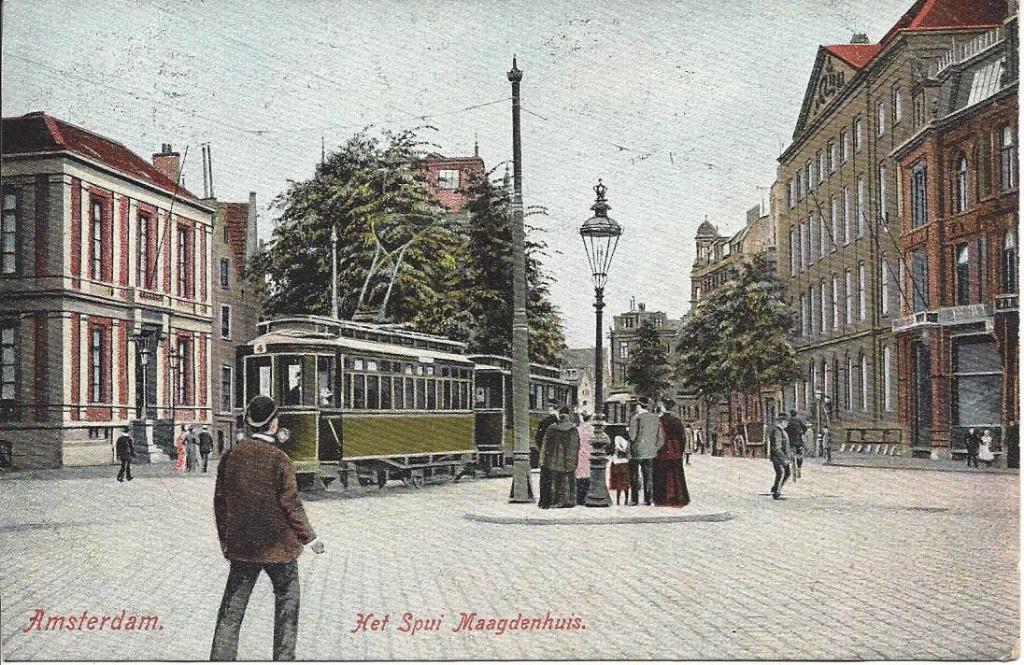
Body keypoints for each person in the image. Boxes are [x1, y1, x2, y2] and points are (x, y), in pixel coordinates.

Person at [211, 395, 325, 661]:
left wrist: (227, 543)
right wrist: (310, 539)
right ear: (273, 424)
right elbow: (291, 505)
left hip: (242, 549)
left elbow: (220, 505)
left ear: (250, 424)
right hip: (279, 549)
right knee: (287, 601)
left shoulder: (231, 456)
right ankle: (284, 658)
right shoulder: (280, 459)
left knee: (231, 611)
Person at [537, 406, 580, 509]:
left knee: (555, 480)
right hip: (569, 459)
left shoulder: (552, 428)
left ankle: (556, 501)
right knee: (569, 479)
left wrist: (543, 459)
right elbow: (577, 445)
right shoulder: (573, 429)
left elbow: (545, 444)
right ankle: (569, 501)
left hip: (554, 459)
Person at [653, 398, 690, 507]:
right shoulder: (677, 421)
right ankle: (679, 497)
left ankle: (661, 498)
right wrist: (681, 450)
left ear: (663, 407)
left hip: (663, 449)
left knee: (661, 473)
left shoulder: (659, 421)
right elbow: (682, 438)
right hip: (675, 449)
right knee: (676, 473)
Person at [627, 397, 663, 506]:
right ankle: (648, 499)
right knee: (648, 475)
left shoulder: (635, 418)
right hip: (650, 452)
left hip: (636, 452)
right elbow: (660, 438)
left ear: (639, 405)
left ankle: (634, 499)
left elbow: (632, 437)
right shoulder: (656, 419)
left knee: (634, 476)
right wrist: (654, 448)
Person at [769, 412, 791, 500]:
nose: (787, 424)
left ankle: (775, 488)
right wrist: (784, 459)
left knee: (785, 472)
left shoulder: (782, 431)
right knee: (781, 473)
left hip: (781, 457)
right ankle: (776, 492)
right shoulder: (778, 431)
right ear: (782, 422)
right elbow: (777, 447)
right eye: (786, 422)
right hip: (778, 457)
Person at [533, 401, 560, 470]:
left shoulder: (546, 420)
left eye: (549, 407)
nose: (548, 409)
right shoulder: (557, 420)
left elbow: (539, 436)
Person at [576, 413, 593, 506]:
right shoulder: (593, 430)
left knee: (579, 476)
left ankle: (579, 498)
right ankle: (587, 496)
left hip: (580, 454)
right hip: (590, 455)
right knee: (588, 476)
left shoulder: (578, 429)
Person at [608, 433, 630, 505]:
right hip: (625, 465)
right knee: (626, 484)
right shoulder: (626, 444)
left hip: (617, 465)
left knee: (618, 485)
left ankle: (618, 501)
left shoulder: (616, 442)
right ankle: (626, 500)